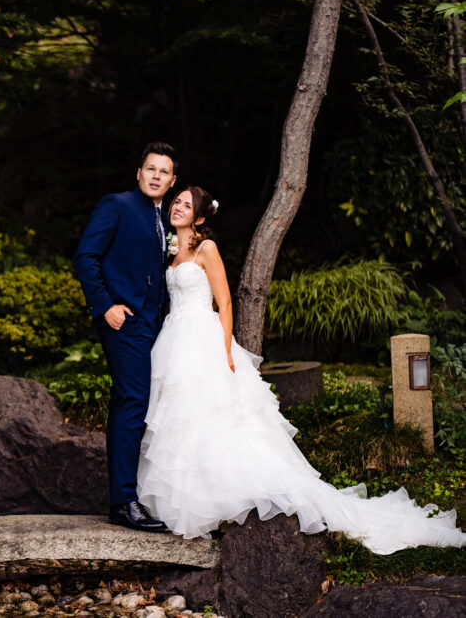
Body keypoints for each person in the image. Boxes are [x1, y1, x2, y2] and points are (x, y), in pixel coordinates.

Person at [136, 185, 466, 554]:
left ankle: (224, 500)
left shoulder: (206, 249)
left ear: (199, 217)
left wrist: (226, 350)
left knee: (217, 417)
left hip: (202, 338)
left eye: (186, 205)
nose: (178, 208)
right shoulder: (168, 248)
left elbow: (225, 301)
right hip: (174, 340)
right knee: (182, 418)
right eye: (176, 202)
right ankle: (188, 500)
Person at [73, 142, 177, 532]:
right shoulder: (116, 204)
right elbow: (86, 256)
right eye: (150, 169)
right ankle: (125, 502)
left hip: (152, 324)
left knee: (128, 404)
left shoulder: (164, 218)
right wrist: (105, 305)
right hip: (123, 320)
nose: (155, 176)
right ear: (139, 173)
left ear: (172, 181)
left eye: (163, 172)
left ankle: (125, 498)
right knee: (134, 401)